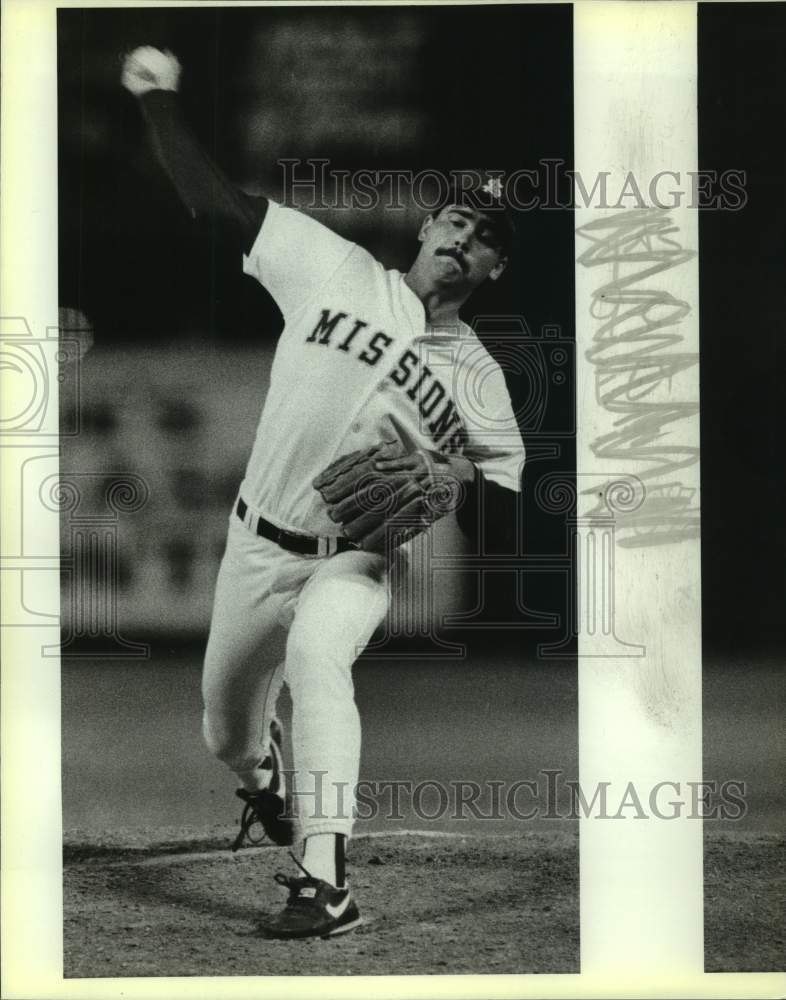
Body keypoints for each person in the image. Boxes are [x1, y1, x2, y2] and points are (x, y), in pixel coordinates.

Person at [121, 45, 526, 940]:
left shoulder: (480, 378)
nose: (465, 239)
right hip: (255, 546)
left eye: (487, 239)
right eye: (457, 221)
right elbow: (212, 204)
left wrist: (453, 477)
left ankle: (325, 883)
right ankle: (264, 786)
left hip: (355, 562)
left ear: (495, 271)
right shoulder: (334, 269)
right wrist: (158, 103)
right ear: (427, 230)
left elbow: (507, 483)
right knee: (225, 732)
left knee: (317, 663)